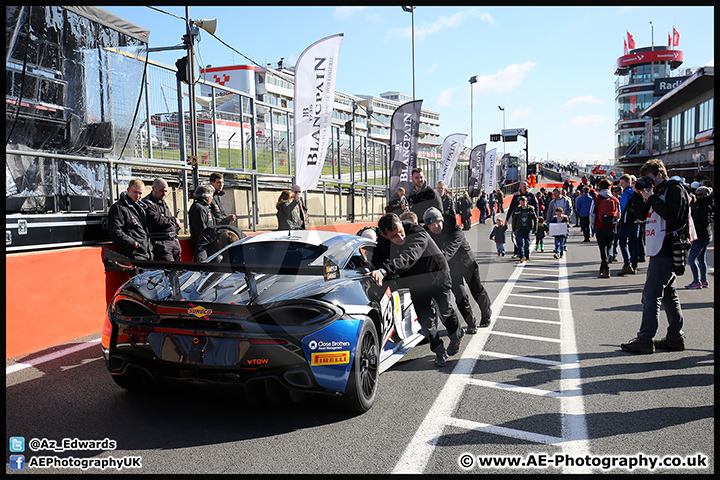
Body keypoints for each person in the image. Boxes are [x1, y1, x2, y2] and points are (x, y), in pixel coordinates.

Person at [368, 213, 463, 367]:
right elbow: (377, 259)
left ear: (401, 222)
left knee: (445, 311)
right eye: (394, 236)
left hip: (437, 276)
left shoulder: (418, 232)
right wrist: (374, 270)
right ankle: (439, 351)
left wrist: (385, 271)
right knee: (425, 320)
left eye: (400, 230)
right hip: (416, 281)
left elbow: (409, 256)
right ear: (385, 236)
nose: (400, 236)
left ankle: (457, 334)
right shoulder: (384, 242)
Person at [621, 158, 692, 354]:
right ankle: (675, 337)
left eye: (649, 178)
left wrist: (651, 197)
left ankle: (645, 339)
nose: (647, 182)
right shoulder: (658, 192)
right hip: (659, 247)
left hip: (667, 248)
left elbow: (673, 215)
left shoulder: (675, 189)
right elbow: (642, 216)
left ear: (660, 175)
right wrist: (638, 195)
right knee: (669, 295)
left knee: (651, 295)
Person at [423, 207, 493, 334]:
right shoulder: (427, 235)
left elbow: (449, 251)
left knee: (476, 290)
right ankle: (471, 323)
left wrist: (434, 264)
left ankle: (486, 313)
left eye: (438, 222)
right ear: (428, 226)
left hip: (467, 264)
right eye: (432, 224)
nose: (436, 226)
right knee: (461, 297)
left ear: (442, 220)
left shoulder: (455, 230)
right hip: (452, 270)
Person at [108, 178, 153, 261]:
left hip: (145, 253)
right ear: (128, 190)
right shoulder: (118, 208)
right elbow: (115, 231)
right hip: (133, 254)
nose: (138, 196)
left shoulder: (140, 208)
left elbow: (144, 231)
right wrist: (134, 244)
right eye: (135, 192)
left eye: (140, 193)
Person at [142, 178, 182, 262]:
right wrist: (173, 220)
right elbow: (157, 220)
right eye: (161, 191)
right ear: (153, 189)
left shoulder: (163, 202)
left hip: (172, 240)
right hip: (161, 243)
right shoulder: (147, 203)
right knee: (169, 271)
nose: (164, 194)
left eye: (166, 191)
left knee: (178, 270)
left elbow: (166, 219)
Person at [589, 179, 619, 278]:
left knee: (602, 249)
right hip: (611, 226)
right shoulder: (615, 199)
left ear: (600, 188)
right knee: (608, 247)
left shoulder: (597, 199)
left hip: (600, 226)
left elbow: (592, 214)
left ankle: (606, 268)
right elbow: (619, 214)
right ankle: (603, 268)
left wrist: (592, 227)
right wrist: (615, 223)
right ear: (610, 187)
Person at [685, 186, 713, 289]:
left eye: (699, 195)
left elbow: (704, 223)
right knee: (701, 259)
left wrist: (693, 226)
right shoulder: (706, 205)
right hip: (706, 235)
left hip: (701, 235)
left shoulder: (704, 206)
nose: (697, 196)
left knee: (692, 259)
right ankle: (704, 281)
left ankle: (697, 282)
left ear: (704, 195)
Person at [616, 175, 642, 276]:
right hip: (637, 220)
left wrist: (618, 219)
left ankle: (627, 264)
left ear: (628, 182)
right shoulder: (637, 192)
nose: (621, 185)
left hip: (627, 221)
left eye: (622, 183)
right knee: (635, 243)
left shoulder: (626, 193)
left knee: (622, 242)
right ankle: (634, 265)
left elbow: (621, 208)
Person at [506, 182, 538, 258]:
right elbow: (511, 208)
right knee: (517, 237)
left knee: (526, 241)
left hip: (527, 221)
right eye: (523, 186)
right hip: (517, 220)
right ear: (520, 187)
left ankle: (525, 254)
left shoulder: (531, 196)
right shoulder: (516, 196)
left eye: (526, 186)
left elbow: (536, 208)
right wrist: (507, 219)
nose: (525, 187)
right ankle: (517, 252)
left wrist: (538, 218)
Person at [188, 184, 216, 253]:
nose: (212, 198)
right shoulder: (198, 208)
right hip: (203, 246)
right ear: (207, 197)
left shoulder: (205, 207)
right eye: (211, 196)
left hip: (208, 244)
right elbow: (200, 230)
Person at [510, 196, 537, 263]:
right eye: (521, 202)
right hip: (519, 228)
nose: (522, 203)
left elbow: (535, 219)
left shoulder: (530, 209)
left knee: (527, 243)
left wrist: (535, 228)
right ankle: (522, 256)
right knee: (521, 243)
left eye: (524, 202)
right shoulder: (517, 210)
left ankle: (527, 255)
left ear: (526, 202)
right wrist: (513, 229)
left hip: (527, 229)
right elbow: (514, 220)